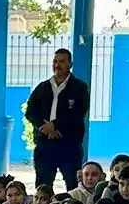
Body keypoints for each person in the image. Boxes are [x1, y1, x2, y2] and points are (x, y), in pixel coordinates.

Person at [24, 48, 90, 190]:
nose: (57, 65)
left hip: (69, 145)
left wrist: (54, 125)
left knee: (74, 185)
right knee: (43, 186)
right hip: (44, 144)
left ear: (70, 64)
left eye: (61, 61)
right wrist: (44, 127)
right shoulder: (42, 87)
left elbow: (78, 113)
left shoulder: (79, 88)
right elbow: (30, 111)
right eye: (55, 61)